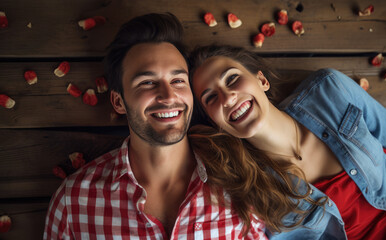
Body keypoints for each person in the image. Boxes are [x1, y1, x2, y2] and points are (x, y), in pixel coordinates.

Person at [43, 15, 267, 239]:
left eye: (178, 80)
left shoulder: (240, 185)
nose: (169, 96)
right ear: (118, 102)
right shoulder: (73, 202)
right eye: (147, 83)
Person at [188, 45, 386, 239]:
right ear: (214, 122)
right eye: (211, 97)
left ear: (261, 80)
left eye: (232, 79)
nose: (228, 97)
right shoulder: (246, 189)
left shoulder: (330, 90)